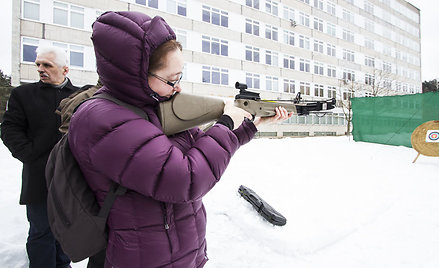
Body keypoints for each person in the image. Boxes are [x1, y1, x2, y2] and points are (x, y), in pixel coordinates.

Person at [68, 11, 291, 268]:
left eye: (180, 77)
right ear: (135, 74)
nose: (179, 88)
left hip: (180, 254)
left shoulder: (153, 104)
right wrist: (226, 122)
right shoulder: (102, 119)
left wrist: (249, 127)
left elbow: (200, 147)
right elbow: (186, 178)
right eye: (172, 80)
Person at [1, 45, 79, 267]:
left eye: (47, 65)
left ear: (65, 70)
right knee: (41, 232)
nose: (40, 69)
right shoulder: (23, 94)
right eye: (38, 64)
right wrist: (29, 154)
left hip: (71, 178)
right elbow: (9, 129)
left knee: (65, 230)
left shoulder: (78, 96)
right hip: (39, 176)